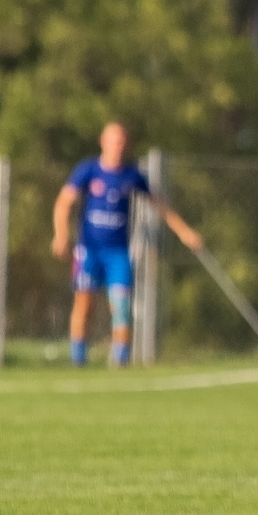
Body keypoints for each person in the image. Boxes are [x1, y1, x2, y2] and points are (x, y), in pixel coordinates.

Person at [51, 122, 203, 367]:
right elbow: (63, 202)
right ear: (103, 141)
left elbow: (160, 205)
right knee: (84, 304)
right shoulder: (88, 170)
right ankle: (78, 359)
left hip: (117, 253)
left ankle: (121, 360)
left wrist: (185, 232)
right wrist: (61, 234)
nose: (118, 146)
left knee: (121, 306)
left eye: (122, 141)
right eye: (113, 140)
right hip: (88, 250)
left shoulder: (131, 175)